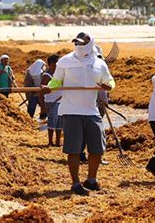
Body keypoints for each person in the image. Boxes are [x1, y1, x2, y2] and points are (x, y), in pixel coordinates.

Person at [42, 32, 115, 196]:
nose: (79, 46)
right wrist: (50, 87)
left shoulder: (99, 64)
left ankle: (91, 180)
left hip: (91, 111)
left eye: (83, 43)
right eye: (77, 43)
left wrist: (109, 85)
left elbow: (109, 80)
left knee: (97, 148)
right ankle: (75, 183)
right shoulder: (65, 61)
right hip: (71, 111)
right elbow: (56, 80)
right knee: (73, 149)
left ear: (90, 44)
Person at [40, 55, 62, 147]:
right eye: (57, 63)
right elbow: (42, 92)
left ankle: (57, 141)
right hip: (51, 101)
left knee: (59, 122)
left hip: (60, 100)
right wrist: (43, 108)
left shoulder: (59, 75)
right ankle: (50, 141)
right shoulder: (47, 76)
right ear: (52, 64)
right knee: (52, 121)